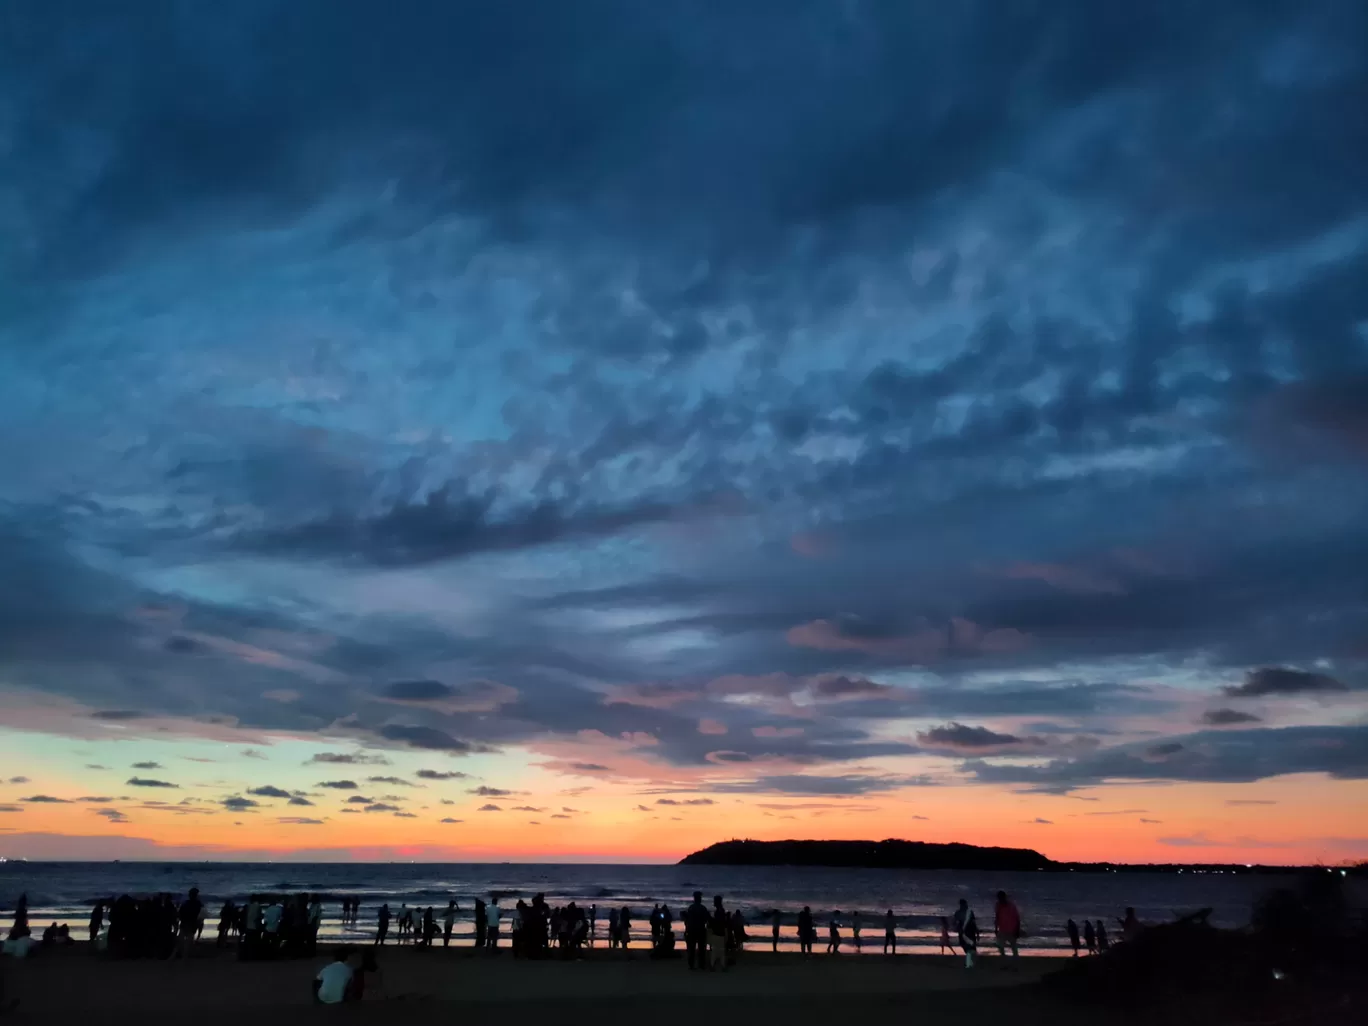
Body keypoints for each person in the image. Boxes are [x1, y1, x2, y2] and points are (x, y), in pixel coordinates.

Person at [994, 891, 1021, 964]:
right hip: (1002, 929)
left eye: (1001, 897)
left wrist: (1017, 930)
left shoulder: (1011, 906)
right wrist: (996, 928)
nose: (1000, 899)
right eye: (999, 898)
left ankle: (1015, 963)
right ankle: (1005, 961)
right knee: (1000, 946)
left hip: (1012, 929)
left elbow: (1017, 918)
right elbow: (997, 917)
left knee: (1014, 947)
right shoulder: (998, 905)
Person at [683, 892, 708, 969]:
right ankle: (701, 964)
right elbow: (706, 919)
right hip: (700, 930)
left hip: (692, 930)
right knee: (701, 949)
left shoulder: (691, 908)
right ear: (700, 899)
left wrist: (687, 930)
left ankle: (691, 965)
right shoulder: (703, 908)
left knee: (691, 948)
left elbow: (688, 920)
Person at [175, 887, 202, 959]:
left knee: (181, 940)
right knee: (188, 942)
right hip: (192, 924)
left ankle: (178, 955)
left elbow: (180, 914)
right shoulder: (198, 904)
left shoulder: (186, 903)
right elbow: (198, 914)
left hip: (185, 923)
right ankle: (184, 956)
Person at [953, 899, 977, 969]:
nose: (963, 905)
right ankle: (970, 961)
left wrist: (977, 931)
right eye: (962, 904)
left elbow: (973, 922)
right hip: (964, 931)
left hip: (969, 930)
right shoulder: (958, 912)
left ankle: (970, 962)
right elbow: (955, 922)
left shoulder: (968, 912)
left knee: (970, 947)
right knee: (965, 946)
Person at [708, 897, 727, 971]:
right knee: (721, 950)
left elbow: (716, 922)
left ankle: (713, 966)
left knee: (715, 950)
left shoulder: (719, 911)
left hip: (717, 932)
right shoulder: (721, 910)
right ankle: (722, 966)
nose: (714, 903)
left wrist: (709, 918)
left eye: (715, 901)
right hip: (721, 932)